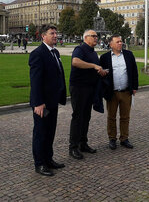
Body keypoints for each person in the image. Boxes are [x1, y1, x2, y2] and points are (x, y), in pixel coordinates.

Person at [29, 24, 66, 176]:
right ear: (43, 36)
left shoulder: (55, 52)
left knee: (50, 132)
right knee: (41, 133)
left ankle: (48, 159)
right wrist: (38, 102)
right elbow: (36, 80)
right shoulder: (38, 53)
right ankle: (40, 164)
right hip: (42, 103)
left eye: (56, 33)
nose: (55, 35)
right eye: (52, 33)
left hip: (52, 100)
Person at [69, 29, 107, 160]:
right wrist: (93, 66)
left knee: (86, 117)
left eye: (97, 36)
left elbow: (93, 69)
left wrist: (100, 71)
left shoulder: (92, 52)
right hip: (79, 88)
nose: (96, 38)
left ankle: (83, 143)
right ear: (86, 38)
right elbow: (75, 62)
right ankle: (73, 147)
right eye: (94, 36)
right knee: (78, 117)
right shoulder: (80, 49)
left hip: (90, 88)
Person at [100, 34, 138, 150]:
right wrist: (104, 90)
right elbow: (101, 76)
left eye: (121, 41)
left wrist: (134, 87)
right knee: (111, 117)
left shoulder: (128, 55)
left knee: (125, 117)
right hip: (112, 93)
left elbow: (134, 71)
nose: (120, 43)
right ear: (111, 44)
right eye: (117, 42)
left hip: (126, 91)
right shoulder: (105, 57)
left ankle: (124, 138)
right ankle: (112, 139)